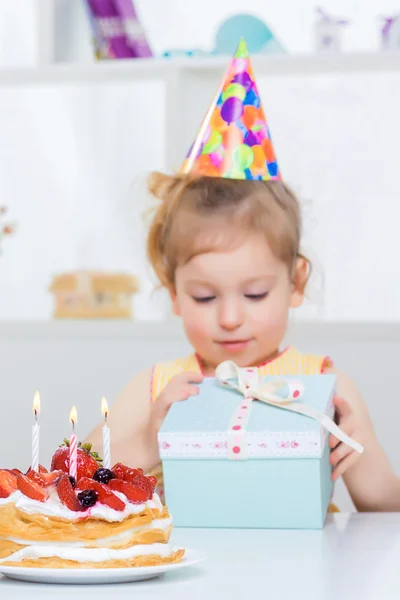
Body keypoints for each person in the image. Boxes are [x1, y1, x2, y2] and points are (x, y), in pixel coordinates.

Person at [88, 39, 400, 512]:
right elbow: (70, 481)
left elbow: (386, 512)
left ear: (295, 283)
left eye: (255, 294)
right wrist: (152, 440)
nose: (230, 318)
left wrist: (357, 451)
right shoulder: (158, 387)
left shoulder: (322, 381)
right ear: (173, 293)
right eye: (204, 298)